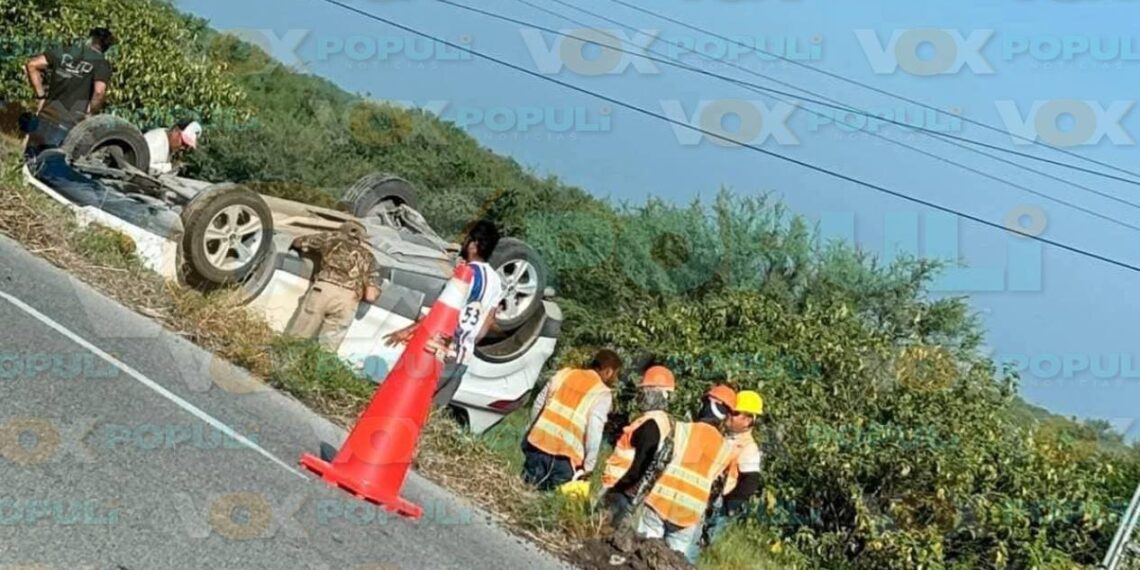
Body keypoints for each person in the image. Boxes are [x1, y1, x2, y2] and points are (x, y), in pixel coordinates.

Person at [384, 220, 504, 406]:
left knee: (407, 403)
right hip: (463, 357)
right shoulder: (496, 281)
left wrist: (407, 331)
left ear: (474, 245)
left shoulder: (465, 273)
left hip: (440, 351)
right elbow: (486, 323)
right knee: (431, 412)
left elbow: (443, 313)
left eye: (467, 240)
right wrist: (468, 341)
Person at [638, 385, 738, 561]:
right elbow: (720, 493)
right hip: (688, 515)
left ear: (708, 404)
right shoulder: (727, 451)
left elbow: (657, 464)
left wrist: (639, 494)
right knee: (671, 563)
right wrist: (706, 528)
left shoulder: (682, 429)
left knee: (638, 556)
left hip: (659, 502)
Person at [521, 349, 623, 491]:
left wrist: (531, 430)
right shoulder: (602, 393)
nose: (615, 380)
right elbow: (594, 429)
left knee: (524, 492)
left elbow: (539, 403)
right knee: (546, 506)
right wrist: (589, 465)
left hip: (538, 446)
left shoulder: (565, 374)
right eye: (616, 375)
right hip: (566, 459)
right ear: (608, 372)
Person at [687, 389, 765, 561]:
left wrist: (727, 507)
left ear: (747, 420)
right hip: (704, 499)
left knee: (691, 548)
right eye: (729, 410)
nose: (728, 415)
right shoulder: (725, 437)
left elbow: (750, 482)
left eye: (734, 413)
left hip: (718, 505)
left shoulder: (748, 448)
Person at [600, 365, 676, 526]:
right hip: (625, 489)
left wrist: (619, 488)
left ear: (657, 394)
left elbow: (642, 463)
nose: (640, 396)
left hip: (620, 489)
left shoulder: (651, 425)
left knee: (598, 530)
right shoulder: (660, 422)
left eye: (645, 391)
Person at [287, 221, 380, 351]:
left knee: (298, 337)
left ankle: (283, 367)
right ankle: (315, 370)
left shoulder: (330, 240)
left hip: (323, 291)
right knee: (327, 350)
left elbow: (298, 242)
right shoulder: (370, 257)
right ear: (361, 239)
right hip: (348, 301)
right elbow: (370, 296)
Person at [23, 28, 116, 155]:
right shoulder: (102, 64)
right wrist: (91, 112)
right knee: (53, 166)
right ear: (106, 47)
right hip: (71, 122)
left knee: (30, 160)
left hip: (47, 114)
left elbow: (32, 64)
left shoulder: (65, 51)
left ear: (90, 39)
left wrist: (40, 96)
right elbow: (99, 92)